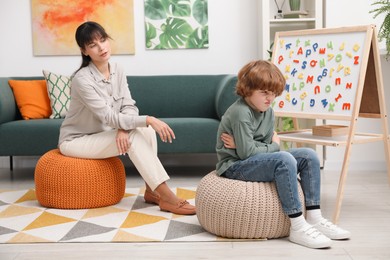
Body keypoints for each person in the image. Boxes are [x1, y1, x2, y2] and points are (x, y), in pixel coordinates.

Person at [58, 21, 195, 215]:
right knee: (141, 129)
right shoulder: (82, 79)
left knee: (143, 131)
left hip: (104, 134)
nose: (101, 47)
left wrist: (123, 129)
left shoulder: (118, 69)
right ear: (84, 51)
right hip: (77, 141)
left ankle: (151, 191)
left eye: (103, 40)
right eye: (93, 45)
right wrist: (148, 119)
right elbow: (107, 116)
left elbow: (128, 105)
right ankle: (168, 198)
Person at [215, 60, 351, 249]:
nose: (269, 98)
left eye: (273, 94)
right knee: (284, 159)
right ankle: (297, 225)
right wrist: (274, 146)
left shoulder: (268, 112)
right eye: (264, 92)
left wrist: (252, 145)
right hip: (235, 165)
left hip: (251, 158)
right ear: (248, 89)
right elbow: (247, 153)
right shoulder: (240, 113)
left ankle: (314, 217)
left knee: (308, 155)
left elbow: (256, 146)